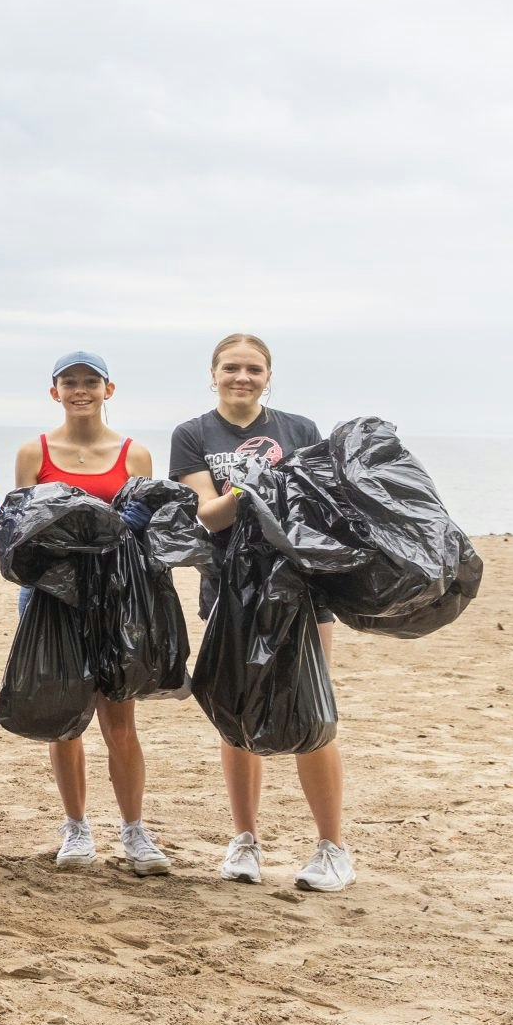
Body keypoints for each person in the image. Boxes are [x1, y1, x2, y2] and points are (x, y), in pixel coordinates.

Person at [169, 332, 349, 893]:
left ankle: (331, 847)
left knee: (309, 706)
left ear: (268, 376)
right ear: (213, 373)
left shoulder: (300, 430)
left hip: (302, 589)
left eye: (252, 369)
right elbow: (210, 518)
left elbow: (318, 509)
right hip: (231, 589)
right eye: (230, 368)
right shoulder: (193, 434)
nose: (241, 377)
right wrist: (254, 487)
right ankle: (244, 839)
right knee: (237, 709)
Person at [11, 351, 169, 877]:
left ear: (109, 389)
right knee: (65, 721)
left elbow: (145, 541)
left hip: (117, 600)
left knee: (119, 721)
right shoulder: (33, 453)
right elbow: (20, 535)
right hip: (51, 601)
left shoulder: (134, 454)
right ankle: (75, 826)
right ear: (54, 392)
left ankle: (134, 831)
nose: (81, 390)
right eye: (70, 382)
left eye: (91, 382)